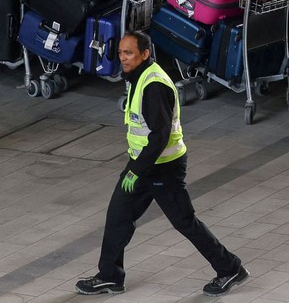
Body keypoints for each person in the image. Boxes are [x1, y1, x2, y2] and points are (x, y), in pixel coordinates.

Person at [75, 31, 249, 297]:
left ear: (145, 54)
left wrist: (135, 170)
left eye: (129, 53)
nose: (123, 58)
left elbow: (159, 136)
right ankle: (110, 276)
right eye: (121, 52)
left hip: (163, 168)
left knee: (184, 222)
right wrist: (137, 167)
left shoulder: (153, 86)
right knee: (118, 216)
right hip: (144, 166)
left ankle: (230, 268)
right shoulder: (139, 77)